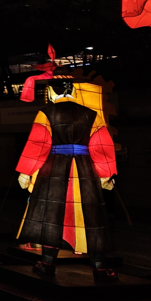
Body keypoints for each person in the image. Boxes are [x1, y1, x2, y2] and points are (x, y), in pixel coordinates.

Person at [15, 77, 118, 281]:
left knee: (51, 216)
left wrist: (25, 172)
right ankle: (99, 268)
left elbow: (37, 145)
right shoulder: (92, 115)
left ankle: (46, 264)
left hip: (53, 170)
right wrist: (106, 175)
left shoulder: (46, 114)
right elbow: (102, 148)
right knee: (91, 217)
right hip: (85, 171)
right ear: (73, 91)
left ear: (52, 92)